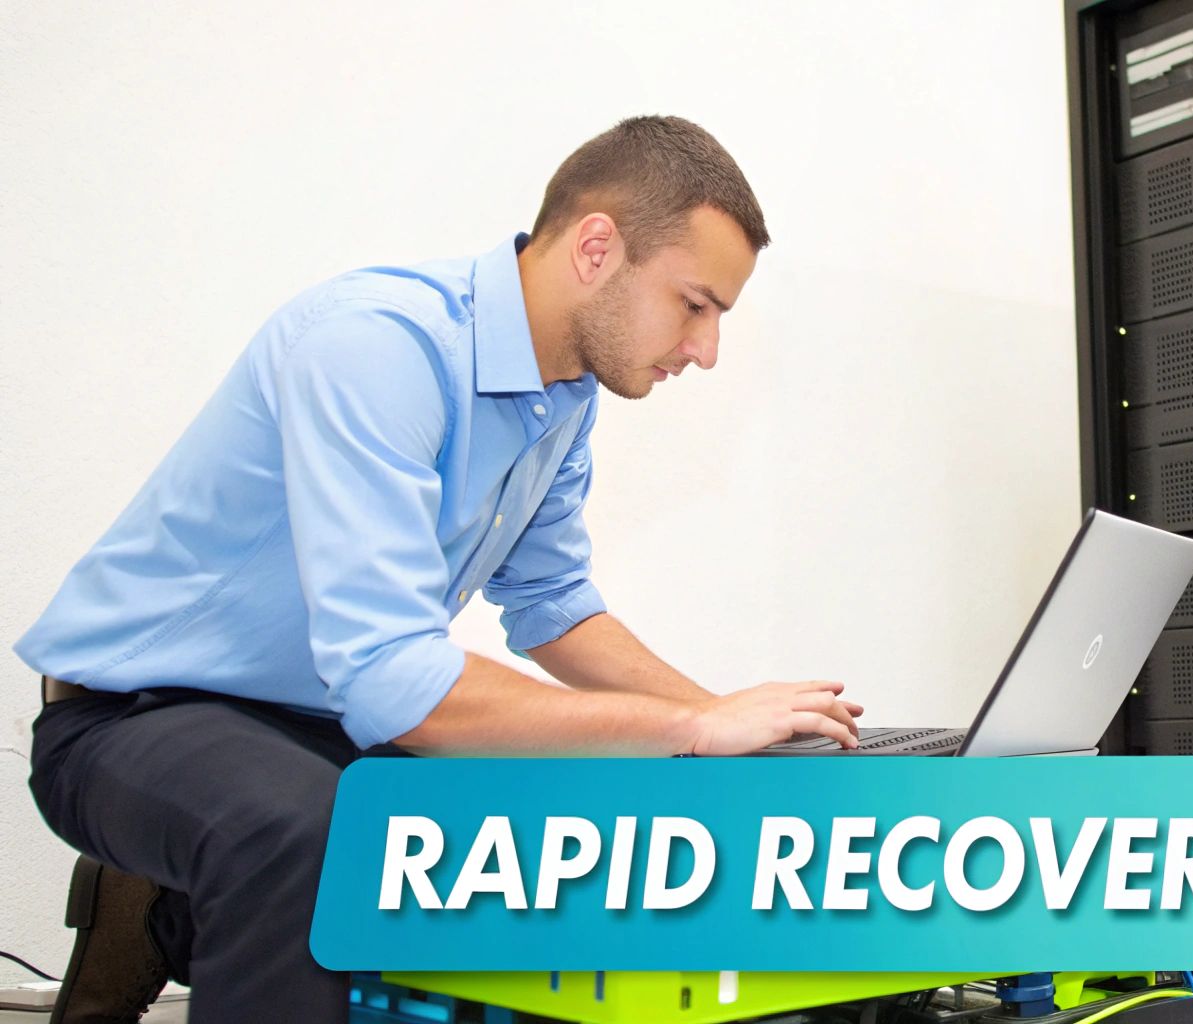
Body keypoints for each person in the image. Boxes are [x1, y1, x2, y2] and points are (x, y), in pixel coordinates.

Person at [16, 115, 865, 1024]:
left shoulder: (565, 397)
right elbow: (395, 683)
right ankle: (171, 894)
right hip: (132, 717)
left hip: (318, 723)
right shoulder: (376, 348)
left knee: (545, 833)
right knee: (316, 837)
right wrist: (689, 724)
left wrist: (741, 747)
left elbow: (554, 608)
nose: (705, 349)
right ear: (596, 247)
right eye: (695, 305)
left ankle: (166, 906)